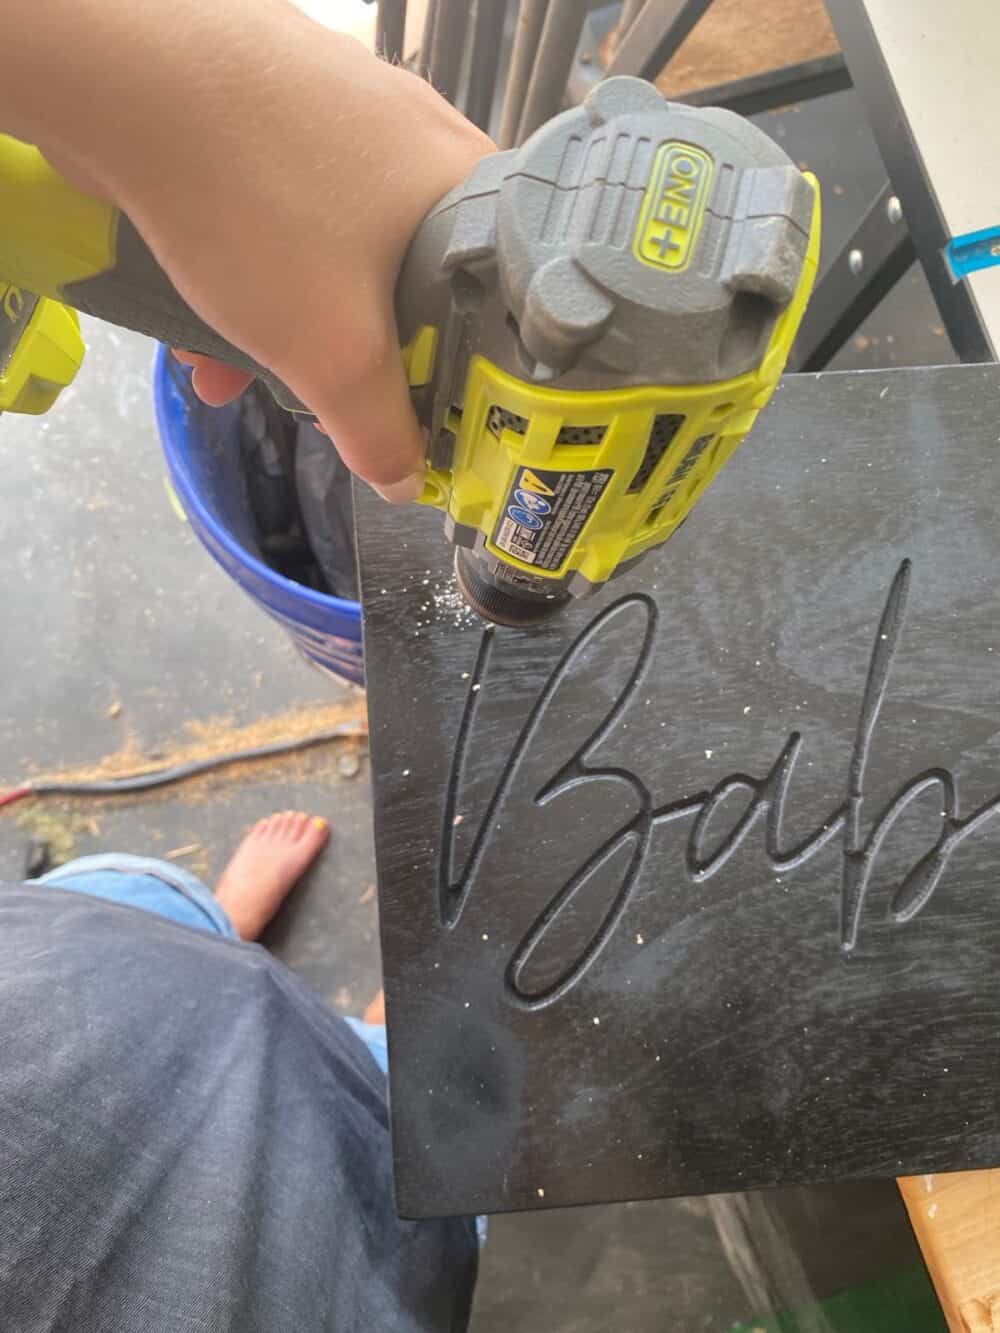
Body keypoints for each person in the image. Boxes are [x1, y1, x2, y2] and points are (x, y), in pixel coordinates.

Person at [1, 1, 493, 1328]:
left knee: (125, 901)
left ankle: (213, 928)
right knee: (420, 1124)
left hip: (54, 997)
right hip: (290, 1234)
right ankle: (387, 1047)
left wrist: (129, 63)